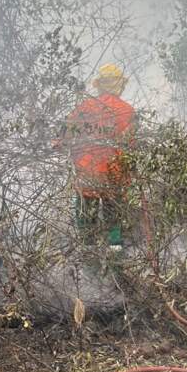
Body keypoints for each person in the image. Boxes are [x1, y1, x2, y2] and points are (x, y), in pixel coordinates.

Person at [54, 64, 135, 248]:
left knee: (86, 220)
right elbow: (130, 145)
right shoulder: (127, 111)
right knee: (114, 219)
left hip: (87, 171)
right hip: (114, 174)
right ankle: (116, 259)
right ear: (119, 85)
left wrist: (58, 145)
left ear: (100, 85)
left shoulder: (86, 106)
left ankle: (89, 257)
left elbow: (65, 134)